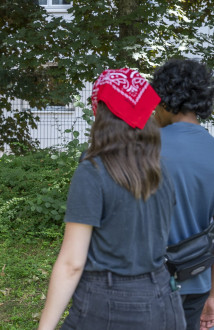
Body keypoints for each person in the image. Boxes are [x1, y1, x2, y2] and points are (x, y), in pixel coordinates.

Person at [38, 68, 186, 330]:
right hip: (164, 299)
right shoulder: (162, 171)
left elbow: (72, 263)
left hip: (110, 303)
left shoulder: (93, 172)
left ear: (101, 114)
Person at [151, 59, 214, 330]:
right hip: (198, 281)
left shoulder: (143, 149)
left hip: (148, 284)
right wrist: (212, 295)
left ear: (166, 100)